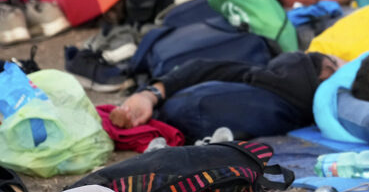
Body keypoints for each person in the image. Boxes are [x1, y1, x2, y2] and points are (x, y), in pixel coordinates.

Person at [109, 52, 344, 140]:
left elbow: (202, 66)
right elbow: (203, 66)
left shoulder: (264, 78)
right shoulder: (271, 83)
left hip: (174, 111)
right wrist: (149, 96)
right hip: (177, 114)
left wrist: (150, 95)